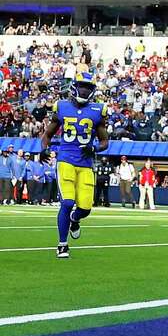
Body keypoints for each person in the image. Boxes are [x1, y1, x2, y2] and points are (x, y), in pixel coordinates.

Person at [38, 70, 111, 259]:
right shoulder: (61, 107)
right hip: (65, 160)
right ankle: (62, 245)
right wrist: (43, 148)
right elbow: (47, 134)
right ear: (74, 87)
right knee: (67, 202)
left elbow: (105, 142)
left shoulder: (98, 110)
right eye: (82, 87)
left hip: (86, 164)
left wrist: (94, 148)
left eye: (88, 88)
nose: (85, 91)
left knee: (85, 208)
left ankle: (74, 220)